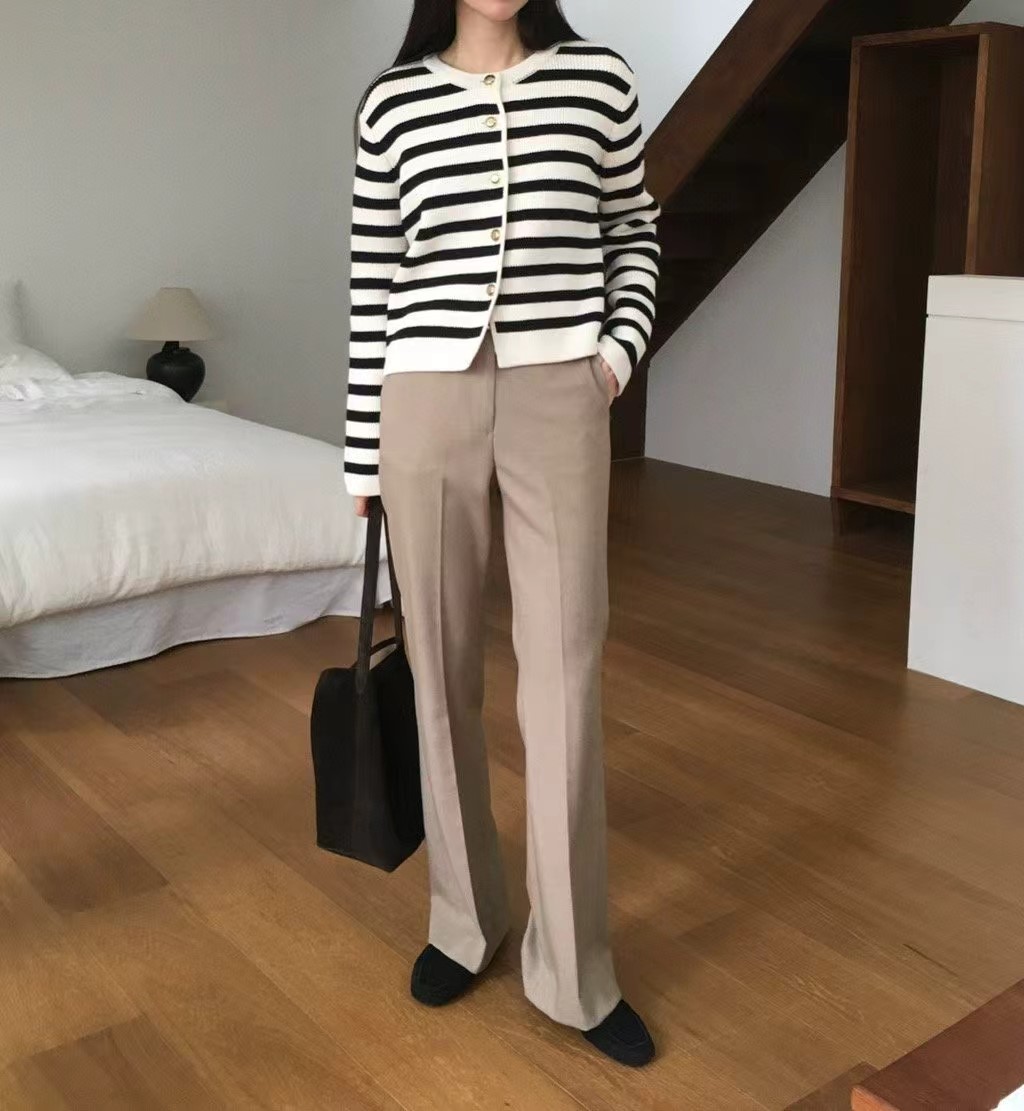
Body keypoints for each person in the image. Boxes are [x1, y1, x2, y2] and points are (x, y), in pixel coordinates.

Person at [343, 0, 660, 1068]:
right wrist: (360, 455)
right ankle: (463, 921)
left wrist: (612, 356)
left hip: (558, 393)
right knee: (438, 668)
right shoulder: (391, 105)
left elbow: (634, 232)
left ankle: (574, 972)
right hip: (422, 401)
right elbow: (374, 285)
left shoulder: (597, 81)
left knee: (565, 673)